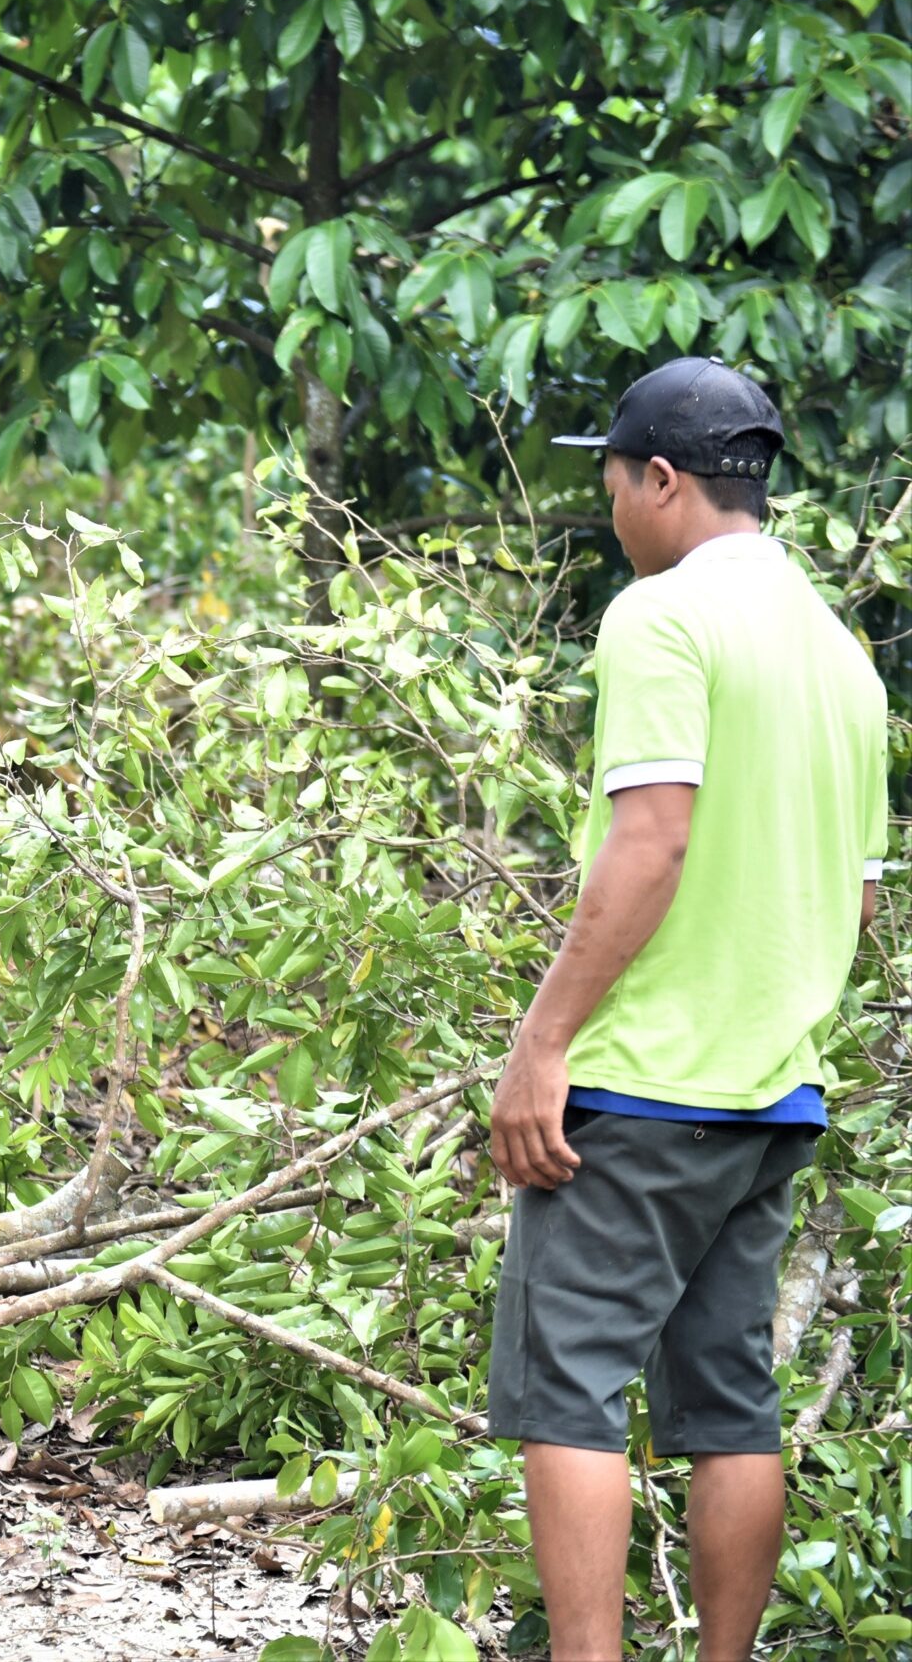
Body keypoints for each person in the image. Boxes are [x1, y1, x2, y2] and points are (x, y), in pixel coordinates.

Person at [488, 358, 886, 1662]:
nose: (608, 507)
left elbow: (651, 843)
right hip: (774, 1094)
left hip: (644, 1091)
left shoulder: (660, 618)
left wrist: (542, 1044)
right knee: (730, 1407)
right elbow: (862, 906)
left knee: (572, 1399)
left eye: (610, 479)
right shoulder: (843, 658)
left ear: (661, 480)